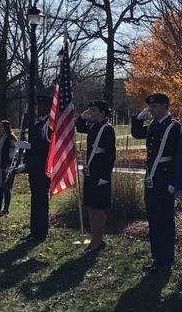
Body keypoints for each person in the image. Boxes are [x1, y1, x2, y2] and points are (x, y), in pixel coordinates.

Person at [131, 93, 181, 273]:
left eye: (155, 107)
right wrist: (138, 118)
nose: (151, 110)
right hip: (152, 177)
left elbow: (178, 157)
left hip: (165, 179)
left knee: (165, 220)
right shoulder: (153, 125)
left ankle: (166, 259)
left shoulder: (173, 127)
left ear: (165, 106)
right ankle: (157, 257)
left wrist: (174, 182)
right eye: (150, 107)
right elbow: (137, 133)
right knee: (153, 219)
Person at [75, 100, 116, 253]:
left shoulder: (107, 129)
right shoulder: (93, 126)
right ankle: (94, 239)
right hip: (91, 172)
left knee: (98, 208)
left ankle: (98, 241)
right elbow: (79, 127)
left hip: (100, 175)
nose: (91, 113)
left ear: (103, 113)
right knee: (91, 207)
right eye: (90, 110)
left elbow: (110, 155)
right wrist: (83, 116)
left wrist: (105, 176)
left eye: (94, 110)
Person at [18, 96, 53, 243]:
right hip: (34, 166)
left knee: (41, 198)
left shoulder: (50, 124)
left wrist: (29, 146)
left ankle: (41, 231)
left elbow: (49, 146)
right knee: (35, 198)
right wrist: (26, 160)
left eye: (41, 105)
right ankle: (34, 230)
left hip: (43, 166)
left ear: (47, 106)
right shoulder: (38, 122)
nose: (38, 108)